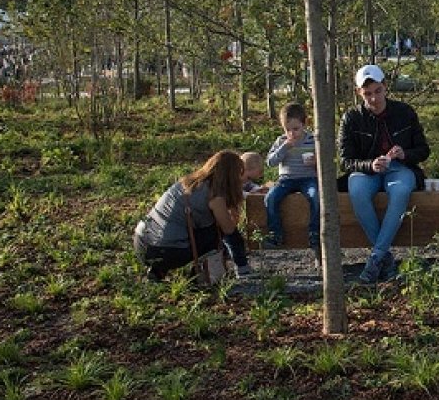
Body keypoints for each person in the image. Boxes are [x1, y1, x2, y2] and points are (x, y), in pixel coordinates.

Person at [341, 64, 431, 284]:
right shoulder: (351, 118)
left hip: (400, 168)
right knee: (357, 190)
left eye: (378, 91)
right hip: (367, 171)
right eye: (367, 94)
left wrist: (404, 154)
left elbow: (423, 150)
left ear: (386, 87)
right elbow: (346, 161)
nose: (373, 98)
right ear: (359, 93)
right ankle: (385, 259)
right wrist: (370, 165)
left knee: (401, 191)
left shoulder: (405, 112)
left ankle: (375, 258)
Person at [134, 150, 252, 281]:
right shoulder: (215, 195)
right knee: (217, 233)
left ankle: (158, 270)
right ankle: (199, 275)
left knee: (174, 228)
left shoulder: (188, 183)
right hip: (166, 251)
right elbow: (229, 229)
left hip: (142, 244)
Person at [264, 103, 321, 261]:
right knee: (271, 197)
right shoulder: (281, 141)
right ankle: (276, 233)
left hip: (308, 178)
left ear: (304, 124)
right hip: (287, 179)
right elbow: (270, 162)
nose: (292, 133)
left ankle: (314, 232)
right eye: (287, 129)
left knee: (315, 196)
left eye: (295, 129)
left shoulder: (312, 140)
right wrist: (284, 147)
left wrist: (316, 162)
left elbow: (325, 163)